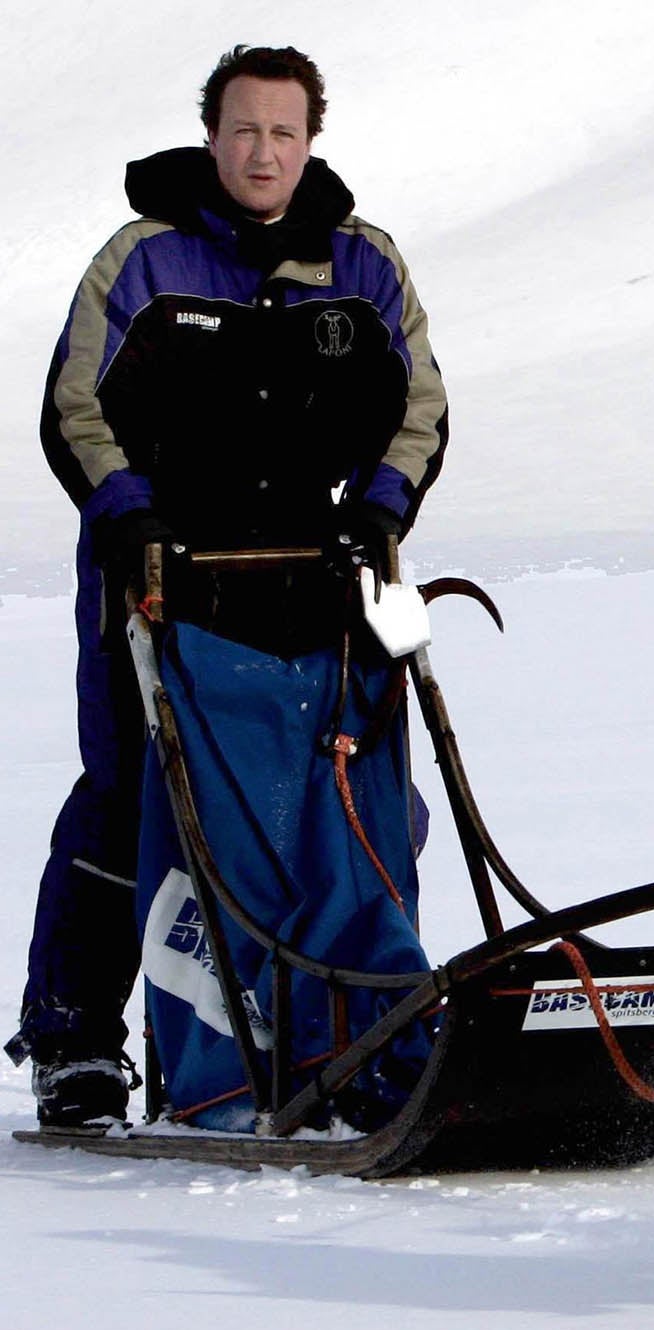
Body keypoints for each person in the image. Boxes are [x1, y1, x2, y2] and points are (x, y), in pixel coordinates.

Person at [8, 44, 449, 1126]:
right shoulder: (146, 261)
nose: (264, 152)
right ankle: (77, 1043)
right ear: (213, 135)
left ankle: (347, 1030)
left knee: (347, 801)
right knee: (127, 798)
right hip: (160, 574)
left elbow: (419, 410)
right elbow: (76, 411)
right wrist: (129, 517)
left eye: (285, 133)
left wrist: (381, 508)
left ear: (311, 142)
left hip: (313, 580)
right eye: (245, 130)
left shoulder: (363, 266)